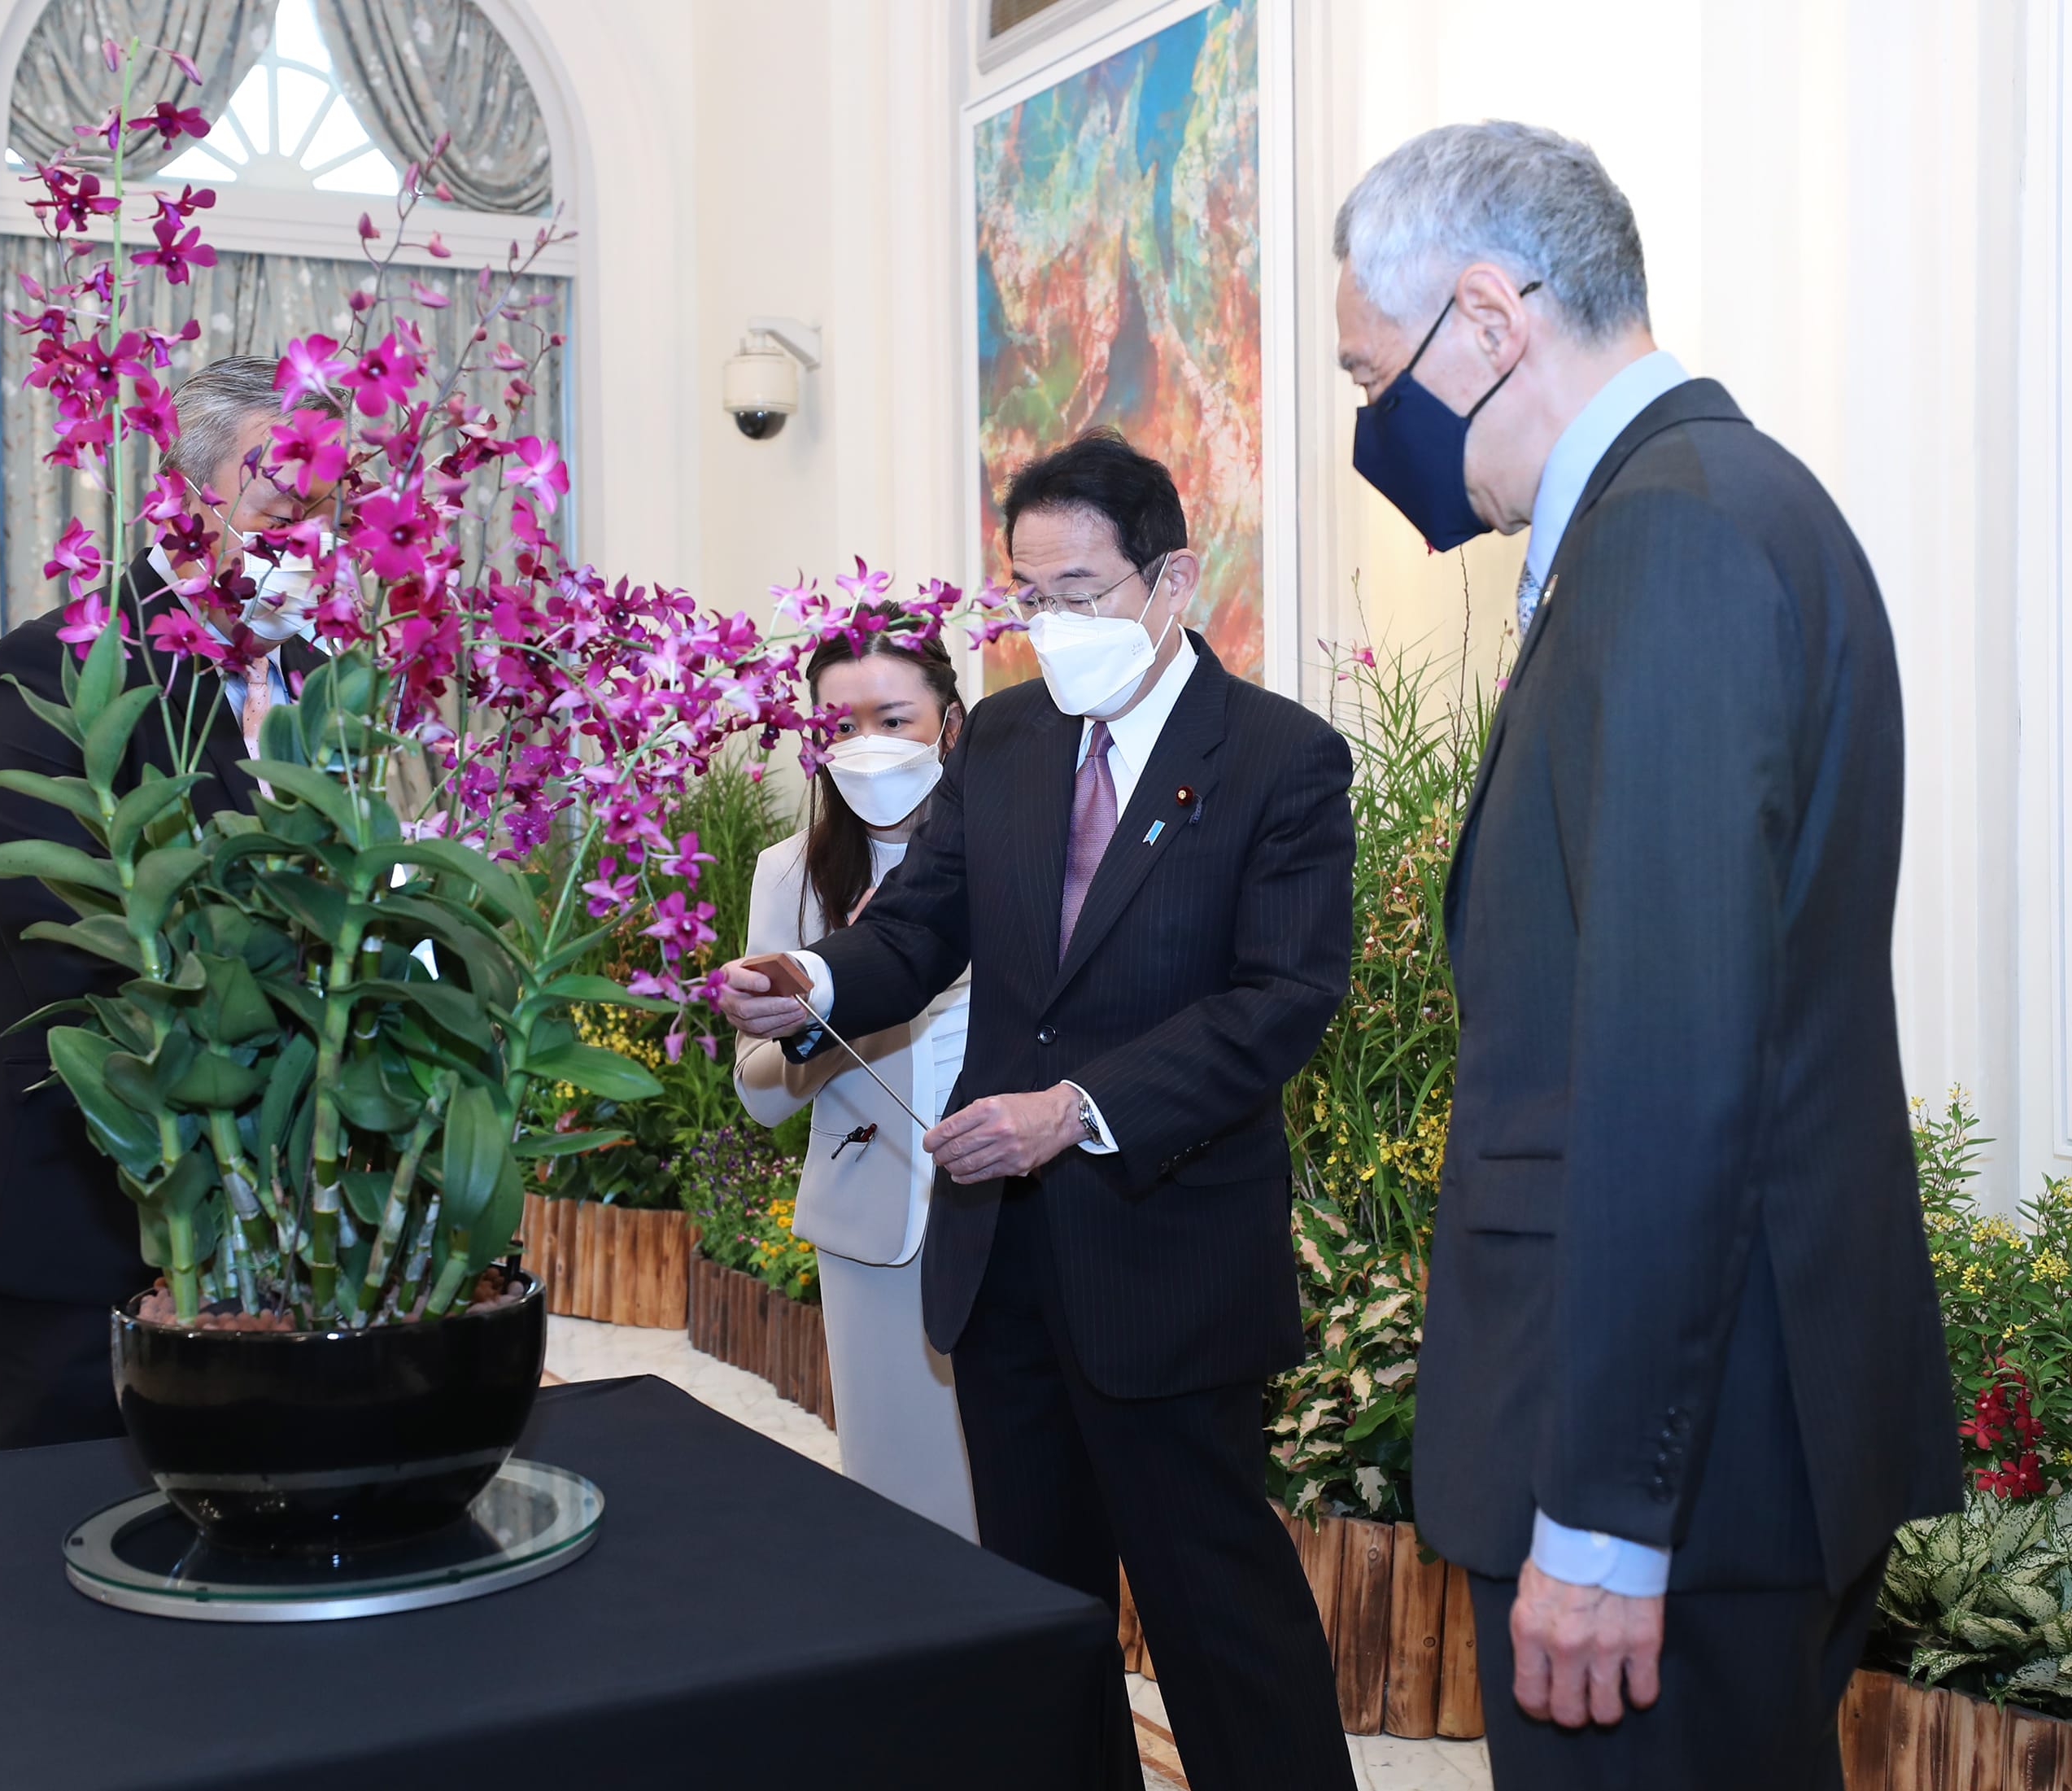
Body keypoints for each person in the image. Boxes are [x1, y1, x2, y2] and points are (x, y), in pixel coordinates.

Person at [1333, 121, 1958, 1787]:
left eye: (1372, 373)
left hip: (1677, 1472)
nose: (1371, 426)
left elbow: (1671, 1061)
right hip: (1739, 1430)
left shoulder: (1669, 537)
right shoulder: (1714, 506)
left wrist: (1608, 1515)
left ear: (1487, 319)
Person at [720, 433, 1357, 1791]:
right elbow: (919, 928)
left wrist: (1077, 1107)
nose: (1052, 625)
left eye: (1080, 592)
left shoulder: (1277, 758)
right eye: (1028, 596)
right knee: (1039, 1621)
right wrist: (810, 981)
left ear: (1171, 578)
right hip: (1000, 1252)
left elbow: (1279, 1002)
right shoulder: (1007, 739)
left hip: (1166, 1254)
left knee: (1220, 1622)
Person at [0, 356, 337, 1449]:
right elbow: (64, 936)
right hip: (80, 1217)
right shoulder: (62, 659)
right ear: (187, 489)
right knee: (71, 1526)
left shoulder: (315, 677)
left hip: (266, 1213)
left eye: (330, 505)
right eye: (281, 500)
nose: (311, 530)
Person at [732, 611, 977, 1540]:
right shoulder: (789, 873)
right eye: (842, 724)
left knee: (1020, 1501)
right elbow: (759, 1090)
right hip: (872, 1226)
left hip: (1012, 1219)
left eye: (894, 718)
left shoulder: (1018, 855)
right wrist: (848, 981)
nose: (868, 744)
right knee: (897, 1499)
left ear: (951, 724)